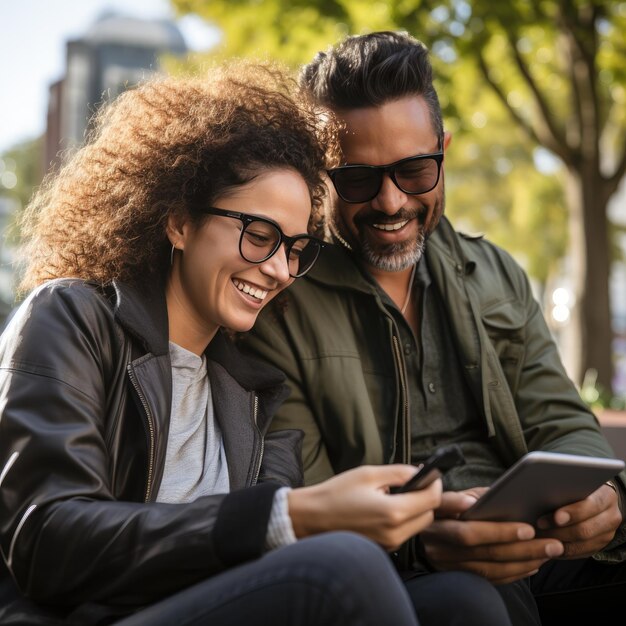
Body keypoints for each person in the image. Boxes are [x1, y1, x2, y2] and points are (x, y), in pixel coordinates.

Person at [0, 60, 513, 626]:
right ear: (178, 221)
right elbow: (44, 539)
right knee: (341, 569)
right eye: (260, 235)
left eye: (295, 248)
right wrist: (288, 515)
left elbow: (273, 559)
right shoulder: (72, 317)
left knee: (467, 602)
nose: (279, 270)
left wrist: (399, 525)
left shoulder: (256, 385)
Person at [243, 31, 626, 624]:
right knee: (470, 599)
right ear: (319, 177)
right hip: (400, 568)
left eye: (416, 169)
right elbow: (302, 499)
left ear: (443, 150)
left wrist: (604, 504)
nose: (392, 202)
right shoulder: (279, 296)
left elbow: (562, 419)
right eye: (359, 179)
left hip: (537, 546)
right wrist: (417, 542)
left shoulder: (496, 272)